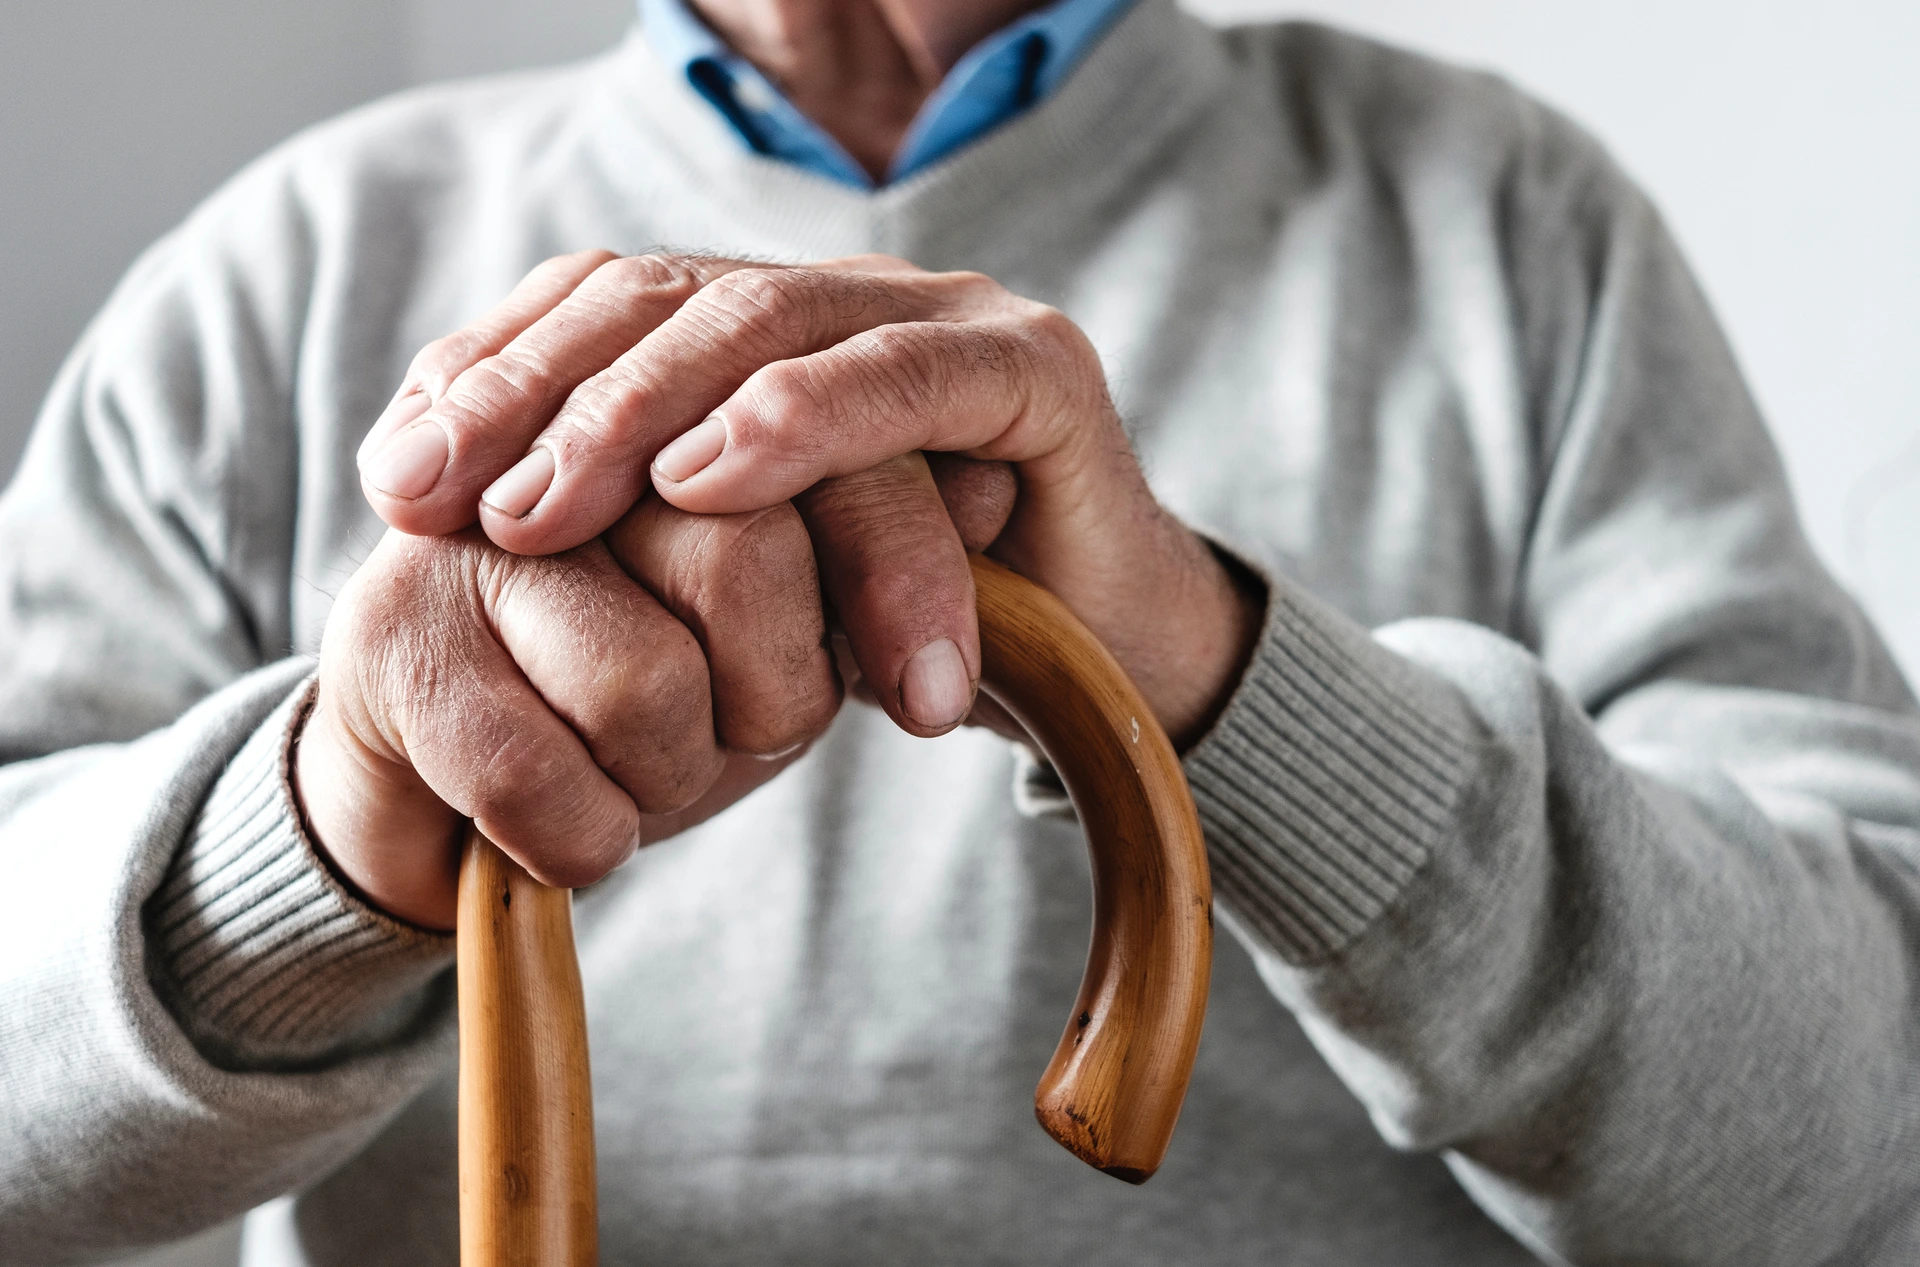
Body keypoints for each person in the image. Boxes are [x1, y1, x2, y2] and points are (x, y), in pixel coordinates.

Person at [2, 0, 1917, 1262]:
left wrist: (1223, 682)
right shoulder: (290, 267)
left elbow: (1860, 1131)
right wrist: (323, 831)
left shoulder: (1513, 226)